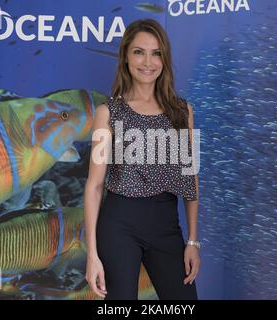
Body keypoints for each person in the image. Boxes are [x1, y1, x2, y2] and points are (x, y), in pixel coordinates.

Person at [84, 18, 200, 300]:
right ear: (125, 57)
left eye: (156, 53)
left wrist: (193, 240)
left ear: (164, 59)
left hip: (166, 223)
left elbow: (191, 178)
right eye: (139, 52)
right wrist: (92, 255)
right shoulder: (108, 113)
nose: (148, 62)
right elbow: (94, 186)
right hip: (119, 222)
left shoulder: (183, 111)